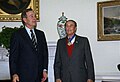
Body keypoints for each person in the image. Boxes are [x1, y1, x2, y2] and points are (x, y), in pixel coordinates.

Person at [9, 8, 48, 82]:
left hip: (40, 76)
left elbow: (44, 54)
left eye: (35, 16)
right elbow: (13, 57)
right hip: (24, 76)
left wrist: (45, 70)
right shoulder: (17, 35)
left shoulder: (41, 34)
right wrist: (14, 73)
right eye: (31, 16)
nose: (34, 18)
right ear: (25, 19)